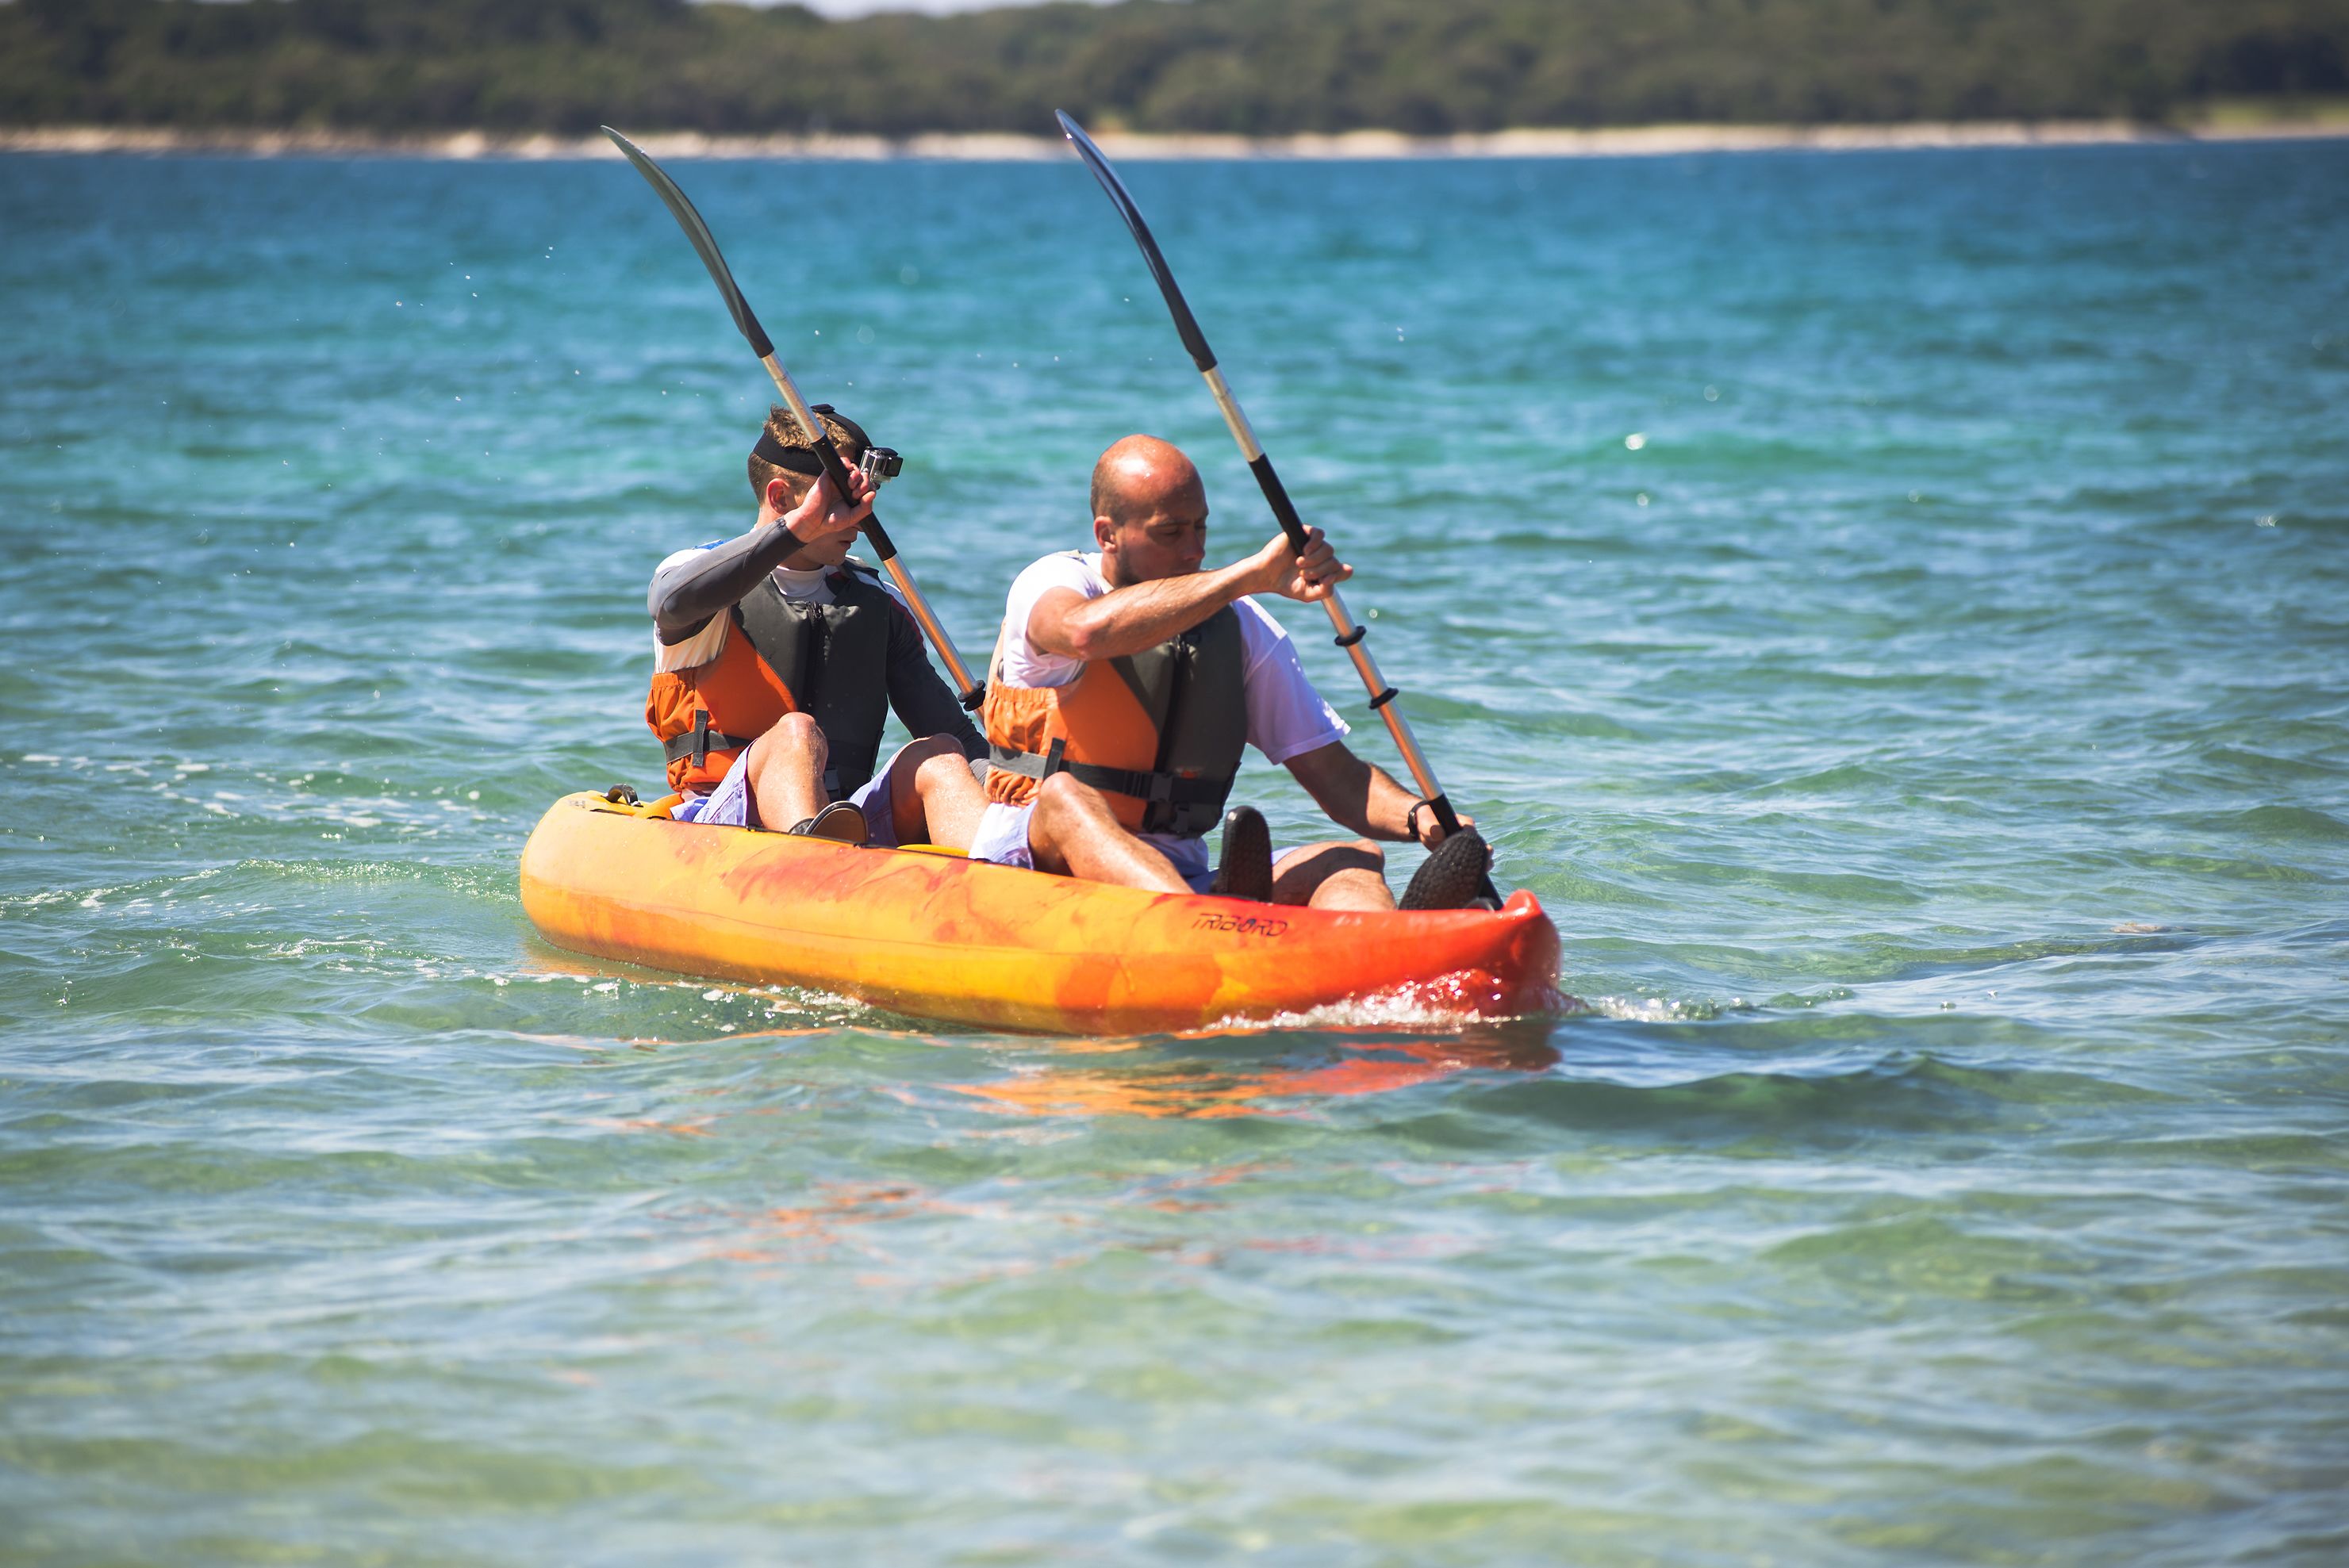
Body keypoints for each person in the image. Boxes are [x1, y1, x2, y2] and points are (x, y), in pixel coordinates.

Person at [969, 433, 1490, 911]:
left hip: (1176, 874)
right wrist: (1250, 576)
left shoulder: (1240, 627)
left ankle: (1385, 959)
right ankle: (1200, 929)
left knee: (1350, 858)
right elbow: (1083, 633)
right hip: (1032, 861)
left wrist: (1418, 816)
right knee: (1065, 794)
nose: (1194, 550)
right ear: (1108, 534)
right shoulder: (1055, 581)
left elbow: (1337, 779)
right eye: (1170, 532)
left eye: (1200, 527)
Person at [644, 404, 988, 849]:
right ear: (780, 497)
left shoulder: (879, 602)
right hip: (722, 817)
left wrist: (1014, 784)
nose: (858, 523)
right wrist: (798, 529)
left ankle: (1002, 876)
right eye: (840, 503)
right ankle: (812, 865)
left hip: (845, 815)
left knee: (941, 756)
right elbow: (670, 603)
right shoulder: (696, 573)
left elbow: (957, 736)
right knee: (796, 732)